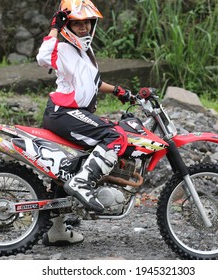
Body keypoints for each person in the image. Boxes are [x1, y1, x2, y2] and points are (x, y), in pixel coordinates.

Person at [36, 0, 133, 246]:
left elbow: (94, 83)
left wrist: (119, 91)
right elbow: (42, 57)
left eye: (87, 22)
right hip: (64, 112)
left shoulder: (85, 54)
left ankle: (56, 229)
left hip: (72, 113)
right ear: (68, 25)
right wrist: (55, 27)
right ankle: (83, 183)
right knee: (115, 136)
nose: (83, 27)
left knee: (68, 166)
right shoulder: (64, 48)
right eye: (77, 23)